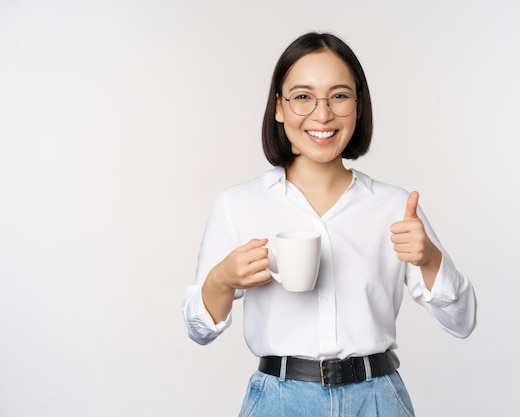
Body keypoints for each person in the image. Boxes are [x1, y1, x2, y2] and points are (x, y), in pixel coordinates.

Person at [183, 31, 477, 417]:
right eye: (303, 97)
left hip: (378, 399)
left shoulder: (395, 206)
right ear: (279, 108)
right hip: (279, 401)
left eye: (339, 96)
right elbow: (199, 330)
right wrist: (222, 279)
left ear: (358, 107)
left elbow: (463, 322)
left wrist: (429, 259)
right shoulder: (238, 204)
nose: (322, 115)